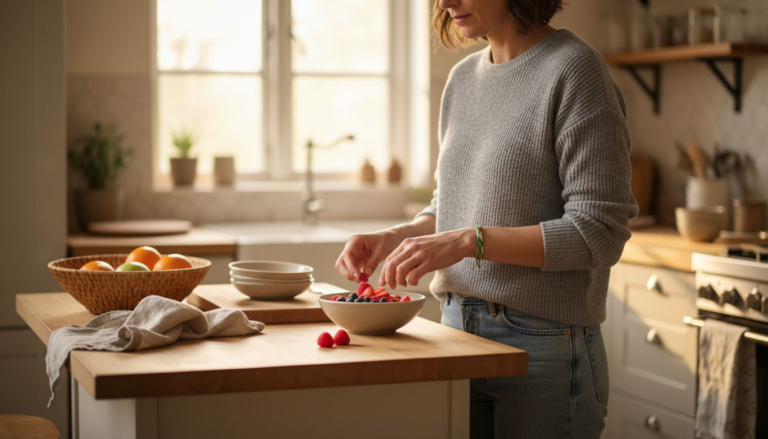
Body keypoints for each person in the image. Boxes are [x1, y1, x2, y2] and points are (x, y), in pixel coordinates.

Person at [335, 0, 638, 437]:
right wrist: (392, 237)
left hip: (544, 349)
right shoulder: (462, 79)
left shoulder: (575, 70)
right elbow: (453, 204)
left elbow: (599, 232)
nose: (445, 3)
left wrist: (468, 242)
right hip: (455, 333)